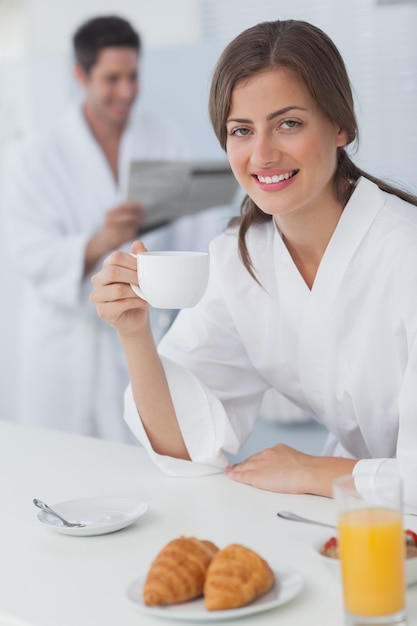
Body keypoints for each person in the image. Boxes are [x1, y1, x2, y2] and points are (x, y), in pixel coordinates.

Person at [90, 19, 417, 507]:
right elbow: (186, 447)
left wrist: (315, 471)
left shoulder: (405, 251)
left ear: (341, 125)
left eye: (288, 123)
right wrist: (135, 333)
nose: (261, 155)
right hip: (355, 519)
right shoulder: (240, 260)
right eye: (242, 130)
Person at [3, 15, 193, 443]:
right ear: (80, 75)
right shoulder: (39, 158)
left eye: (133, 76)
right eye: (112, 79)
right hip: (64, 344)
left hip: (142, 329)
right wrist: (99, 243)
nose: (126, 92)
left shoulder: (164, 138)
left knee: (141, 457)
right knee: (58, 462)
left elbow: (190, 233)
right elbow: (28, 253)